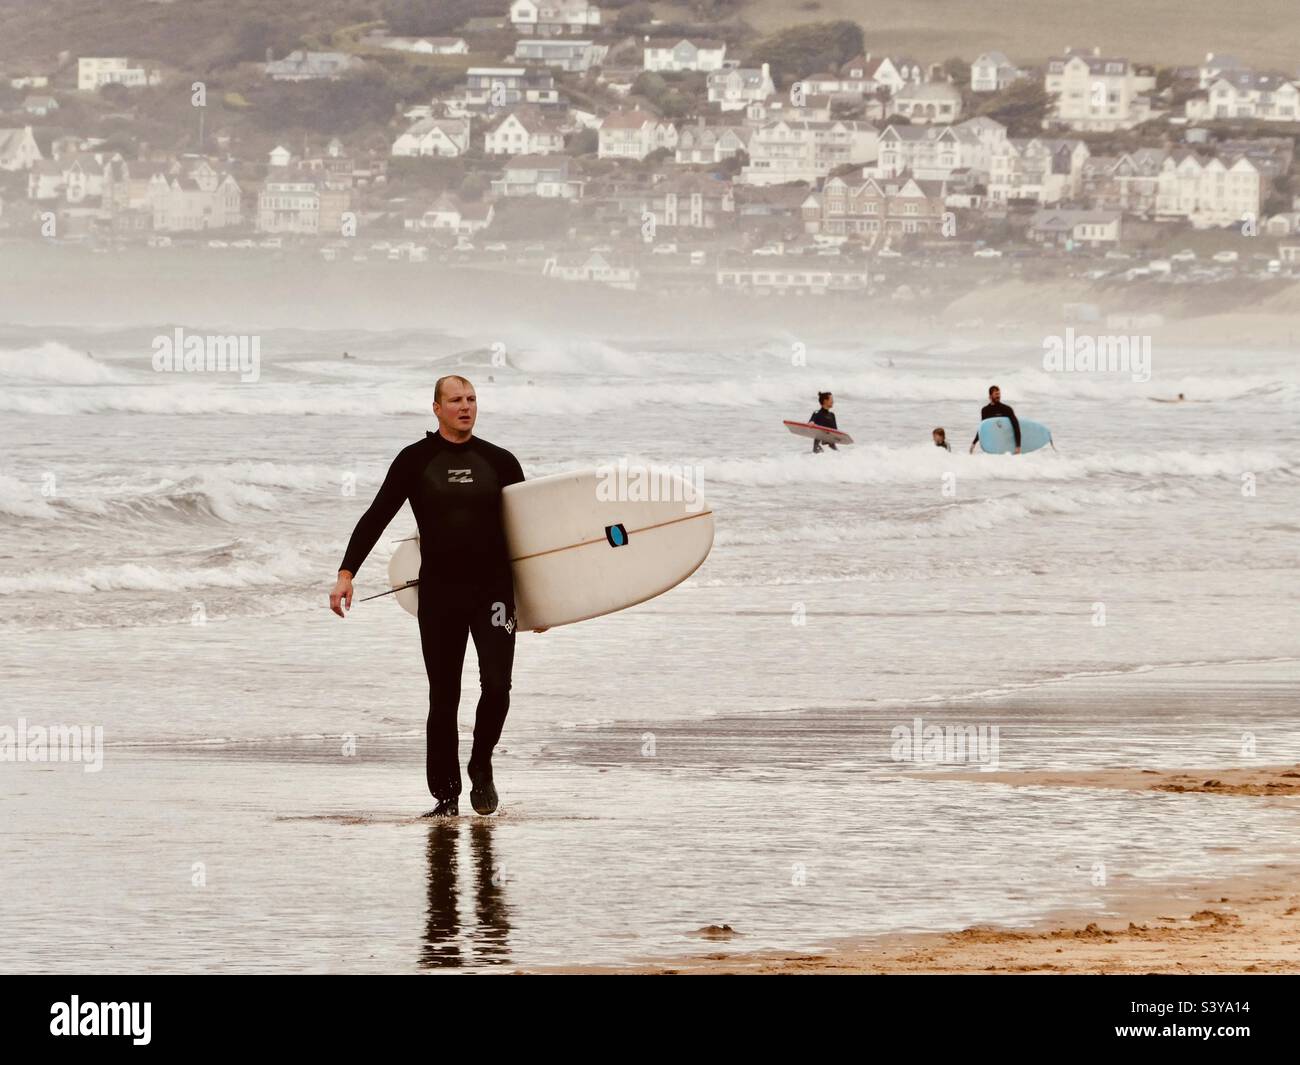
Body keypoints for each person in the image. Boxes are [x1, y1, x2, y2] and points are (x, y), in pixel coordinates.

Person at [329, 375, 528, 819]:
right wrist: (347, 573)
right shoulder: (415, 461)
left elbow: (531, 534)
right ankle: (446, 797)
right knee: (444, 695)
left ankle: (481, 762)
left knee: (497, 686)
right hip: (440, 593)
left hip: (494, 590)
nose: (466, 407)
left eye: (472, 399)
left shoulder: (501, 462)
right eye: (455, 400)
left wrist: (545, 598)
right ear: (435, 408)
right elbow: (377, 515)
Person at [969, 385, 1021, 454]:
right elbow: (982, 428)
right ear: (990, 396)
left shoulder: (1007, 409)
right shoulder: (985, 410)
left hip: (1004, 442)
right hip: (992, 443)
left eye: (999, 394)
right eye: (996, 394)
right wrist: (974, 443)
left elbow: (1016, 426)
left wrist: (1018, 446)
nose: (998, 396)